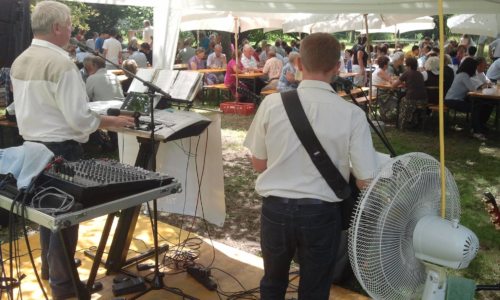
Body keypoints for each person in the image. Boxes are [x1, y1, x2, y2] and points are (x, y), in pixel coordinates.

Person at [10, 2, 134, 299]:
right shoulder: (62, 64)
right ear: (56, 27)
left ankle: (52, 268)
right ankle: (64, 289)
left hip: (32, 148)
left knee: (47, 213)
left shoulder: (20, 60)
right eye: (68, 25)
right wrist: (111, 121)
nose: (72, 31)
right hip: (60, 150)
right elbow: (78, 119)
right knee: (65, 220)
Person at [243, 32, 378, 300]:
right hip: (321, 213)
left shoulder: (272, 104)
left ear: (299, 64)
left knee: (272, 282)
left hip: (276, 209)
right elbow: (365, 181)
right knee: (314, 289)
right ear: (338, 67)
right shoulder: (352, 114)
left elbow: (259, 164)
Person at [445, 57, 493, 141]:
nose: (475, 69)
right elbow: (473, 89)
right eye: (475, 67)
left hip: (454, 99)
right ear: (471, 67)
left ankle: (478, 127)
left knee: (478, 106)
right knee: (475, 108)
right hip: (453, 100)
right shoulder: (464, 75)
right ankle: (476, 131)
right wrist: (484, 86)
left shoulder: (462, 74)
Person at [392, 57, 428, 129]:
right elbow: (415, 84)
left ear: (409, 66)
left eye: (406, 65)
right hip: (424, 99)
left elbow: (394, 85)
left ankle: (401, 124)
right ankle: (413, 121)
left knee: (401, 101)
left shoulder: (407, 73)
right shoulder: (420, 74)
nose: (405, 66)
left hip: (412, 99)